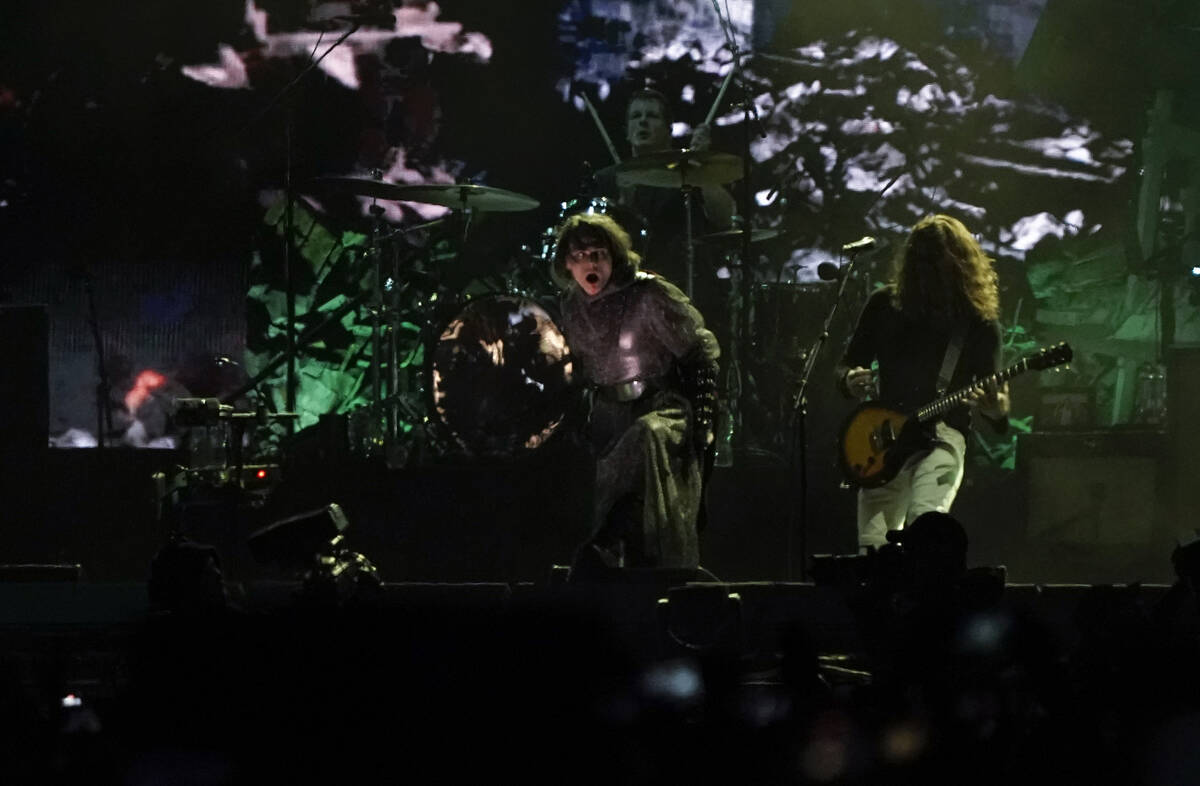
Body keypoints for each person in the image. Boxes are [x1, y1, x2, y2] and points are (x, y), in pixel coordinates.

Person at [552, 212, 720, 572]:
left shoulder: (648, 295)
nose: (589, 263)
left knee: (645, 437)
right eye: (579, 257)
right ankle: (604, 560)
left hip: (663, 409)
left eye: (597, 254)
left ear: (613, 256)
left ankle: (613, 545)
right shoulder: (569, 307)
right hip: (607, 415)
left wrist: (705, 419)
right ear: (566, 263)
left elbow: (700, 352)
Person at [835, 214, 1009, 550]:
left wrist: (997, 410)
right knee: (872, 546)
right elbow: (846, 365)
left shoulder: (978, 322)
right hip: (883, 438)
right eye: (923, 266)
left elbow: (996, 411)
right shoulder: (884, 304)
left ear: (958, 266)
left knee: (926, 525)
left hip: (941, 435)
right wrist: (849, 379)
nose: (931, 278)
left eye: (939, 267)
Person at [593, 89, 736, 302]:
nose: (643, 122)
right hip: (621, 293)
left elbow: (724, 218)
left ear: (669, 129)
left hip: (684, 291)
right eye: (636, 116)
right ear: (627, 131)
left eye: (651, 116)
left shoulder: (688, 172)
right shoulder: (606, 179)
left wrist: (700, 163)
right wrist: (624, 206)